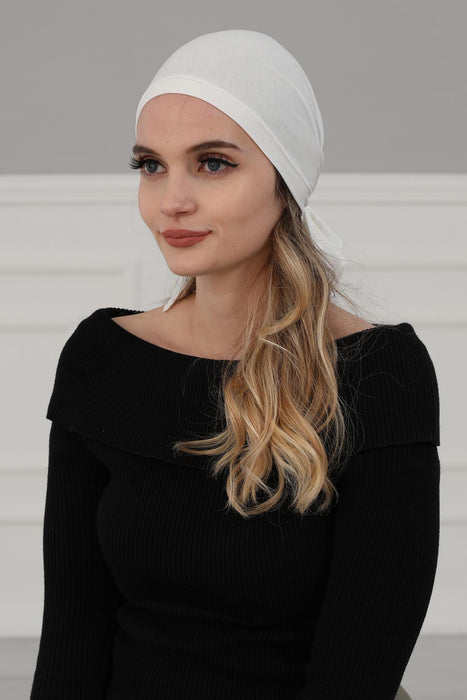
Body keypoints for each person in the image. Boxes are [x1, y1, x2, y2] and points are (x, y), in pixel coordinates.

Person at [30, 30, 439, 700]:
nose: (172, 200)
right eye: (151, 165)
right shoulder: (102, 358)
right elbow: (71, 647)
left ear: (285, 180)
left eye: (213, 163)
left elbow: (355, 677)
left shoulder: (379, 375)